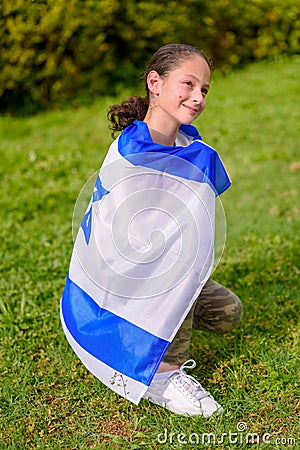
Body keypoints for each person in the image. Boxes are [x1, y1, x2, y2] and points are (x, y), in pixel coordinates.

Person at [61, 43, 242, 419]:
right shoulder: (132, 151)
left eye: (204, 89)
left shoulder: (189, 147)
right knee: (176, 276)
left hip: (163, 267)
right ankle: (164, 374)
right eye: (188, 83)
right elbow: (119, 231)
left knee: (229, 313)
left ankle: (172, 319)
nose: (197, 97)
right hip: (122, 278)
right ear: (155, 83)